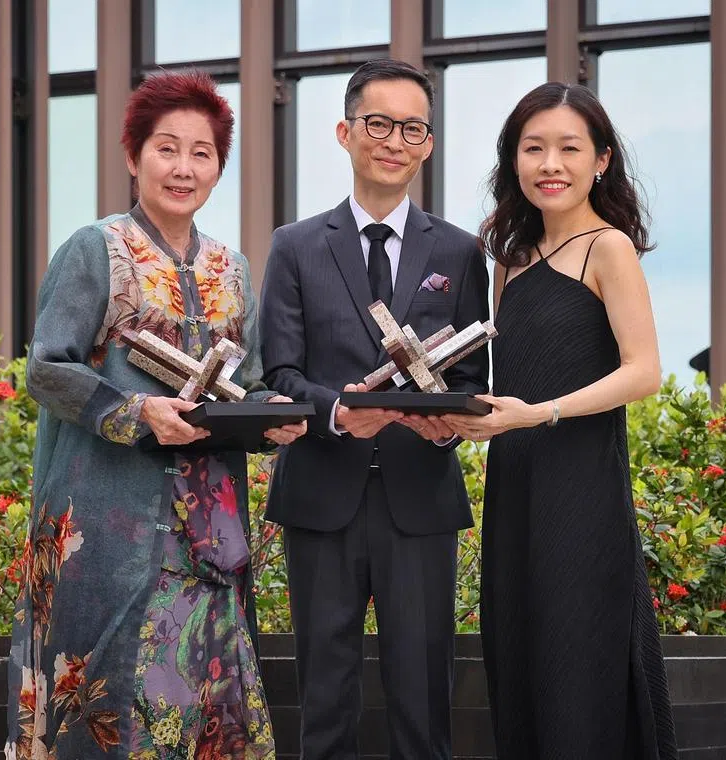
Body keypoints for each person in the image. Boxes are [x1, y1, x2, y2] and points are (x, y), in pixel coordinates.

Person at [4, 70, 304, 760]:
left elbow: (244, 387)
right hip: (106, 529)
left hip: (208, 539)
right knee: (105, 702)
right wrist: (138, 411)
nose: (184, 168)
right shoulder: (96, 248)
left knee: (211, 703)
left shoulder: (233, 270)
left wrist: (273, 416)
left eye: (202, 153)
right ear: (132, 155)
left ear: (219, 167)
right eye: (166, 148)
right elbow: (47, 367)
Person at [259, 59, 490, 759]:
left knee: (424, 699)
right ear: (346, 131)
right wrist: (336, 413)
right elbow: (281, 371)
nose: (394, 139)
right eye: (378, 123)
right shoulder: (295, 246)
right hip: (321, 495)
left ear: (427, 144)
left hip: (421, 500)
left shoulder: (460, 250)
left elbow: (472, 370)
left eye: (412, 127)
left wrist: (450, 426)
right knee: (323, 699)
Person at [441, 82, 678, 758]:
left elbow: (645, 371)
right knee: (518, 668)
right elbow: (503, 386)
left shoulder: (609, 249)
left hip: (583, 495)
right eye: (534, 147)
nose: (551, 164)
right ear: (513, 160)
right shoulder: (509, 261)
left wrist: (539, 414)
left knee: (579, 673)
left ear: (601, 160)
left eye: (569, 148)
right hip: (515, 493)